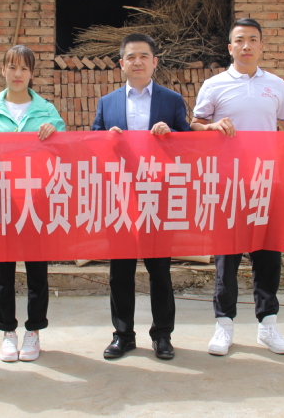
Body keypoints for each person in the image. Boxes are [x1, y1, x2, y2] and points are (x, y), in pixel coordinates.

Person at [190, 18, 284, 356]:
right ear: (230, 47)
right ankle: (224, 325)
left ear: (262, 46)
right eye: (240, 40)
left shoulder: (275, 85)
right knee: (226, 256)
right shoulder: (214, 85)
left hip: (266, 180)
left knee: (268, 253)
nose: (246, 45)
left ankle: (268, 325)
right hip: (227, 182)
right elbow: (195, 124)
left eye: (253, 40)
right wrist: (212, 127)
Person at [91, 33, 191, 361]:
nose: (137, 62)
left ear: (154, 62)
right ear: (121, 63)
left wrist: (171, 135)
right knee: (120, 271)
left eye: (144, 56)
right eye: (131, 57)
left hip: (157, 196)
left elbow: (189, 144)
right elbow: (92, 142)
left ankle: (162, 335)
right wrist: (106, 139)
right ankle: (123, 336)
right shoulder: (107, 103)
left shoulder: (171, 100)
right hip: (119, 197)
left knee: (159, 270)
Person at [0, 45, 65, 363]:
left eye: (24, 68)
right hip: (2, 202)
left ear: (32, 73)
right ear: (3, 70)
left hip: (36, 204)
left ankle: (33, 330)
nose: (18, 74)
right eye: (12, 67)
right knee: (3, 271)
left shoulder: (47, 111)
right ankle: (8, 331)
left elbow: (66, 151)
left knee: (37, 270)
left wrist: (55, 133)